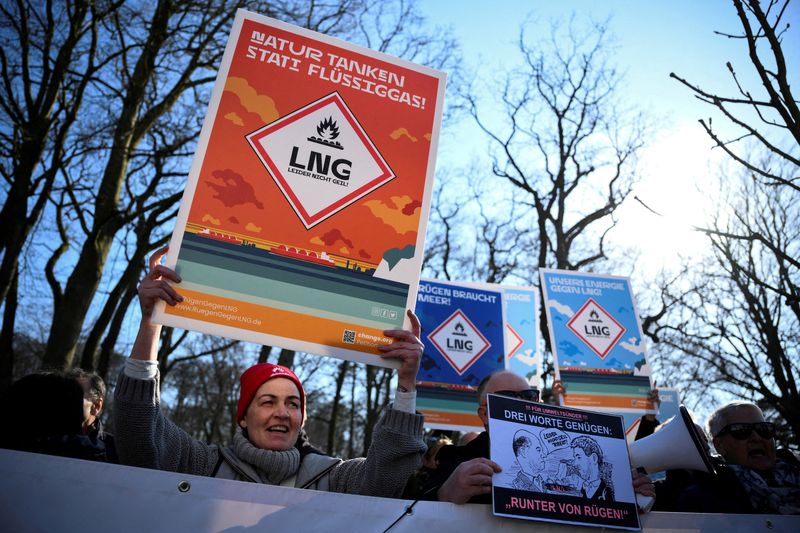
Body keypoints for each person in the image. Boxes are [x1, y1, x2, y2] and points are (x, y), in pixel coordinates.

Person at [114, 247, 426, 497]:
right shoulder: (201, 464)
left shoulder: (333, 477)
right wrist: (151, 322)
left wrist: (406, 384)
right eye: (267, 401)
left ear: (302, 419)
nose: (282, 413)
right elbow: (139, 433)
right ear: (242, 417)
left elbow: (385, 478)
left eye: (293, 404)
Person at [421, 370, 656, 504]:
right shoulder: (457, 459)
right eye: (507, 396)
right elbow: (411, 506)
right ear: (484, 414)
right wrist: (444, 494)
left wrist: (626, 492)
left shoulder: (571, 460)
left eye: (530, 396)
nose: (521, 403)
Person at [675, 401, 800, 514]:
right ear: (720, 446)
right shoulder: (699, 499)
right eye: (741, 430)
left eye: (764, 429)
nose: (757, 438)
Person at [0, 372, 109, 461]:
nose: (64, 401)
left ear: (96, 405)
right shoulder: (32, 440)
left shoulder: (115, 451)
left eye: (75, 396)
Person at [64, 368, 117, 463]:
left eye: (75, 394)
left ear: (96, 405)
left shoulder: (114, 450)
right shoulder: (42, 440)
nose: (65, 399)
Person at [572, 435, 614, 501]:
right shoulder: (580, 489)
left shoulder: (606, 492)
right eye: (575, 458)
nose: (575, 464)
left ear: (594, 458)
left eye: (579, 457)